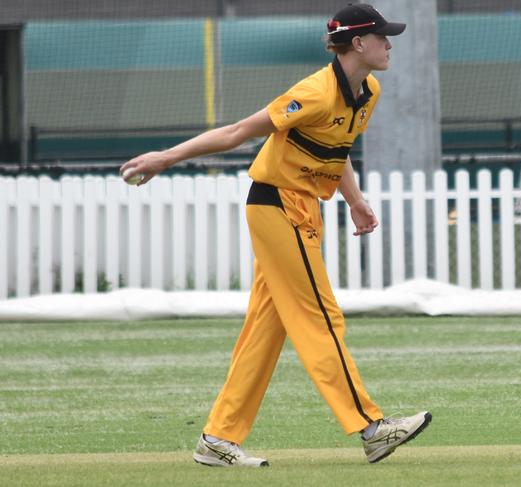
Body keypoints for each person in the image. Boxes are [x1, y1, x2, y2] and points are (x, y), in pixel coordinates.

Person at [120, 3, 431, 468]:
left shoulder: (368, 90)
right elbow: (239, 132)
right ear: (358, 44)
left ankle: (217, 439)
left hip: (304, 208)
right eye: (383, 37)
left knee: (267, 328)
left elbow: (334, 149)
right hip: (277, 204)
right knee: (320, 316)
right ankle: (371, 427)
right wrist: (165, 158)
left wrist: (355, 199)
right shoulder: (314, 92)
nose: (390, 45)